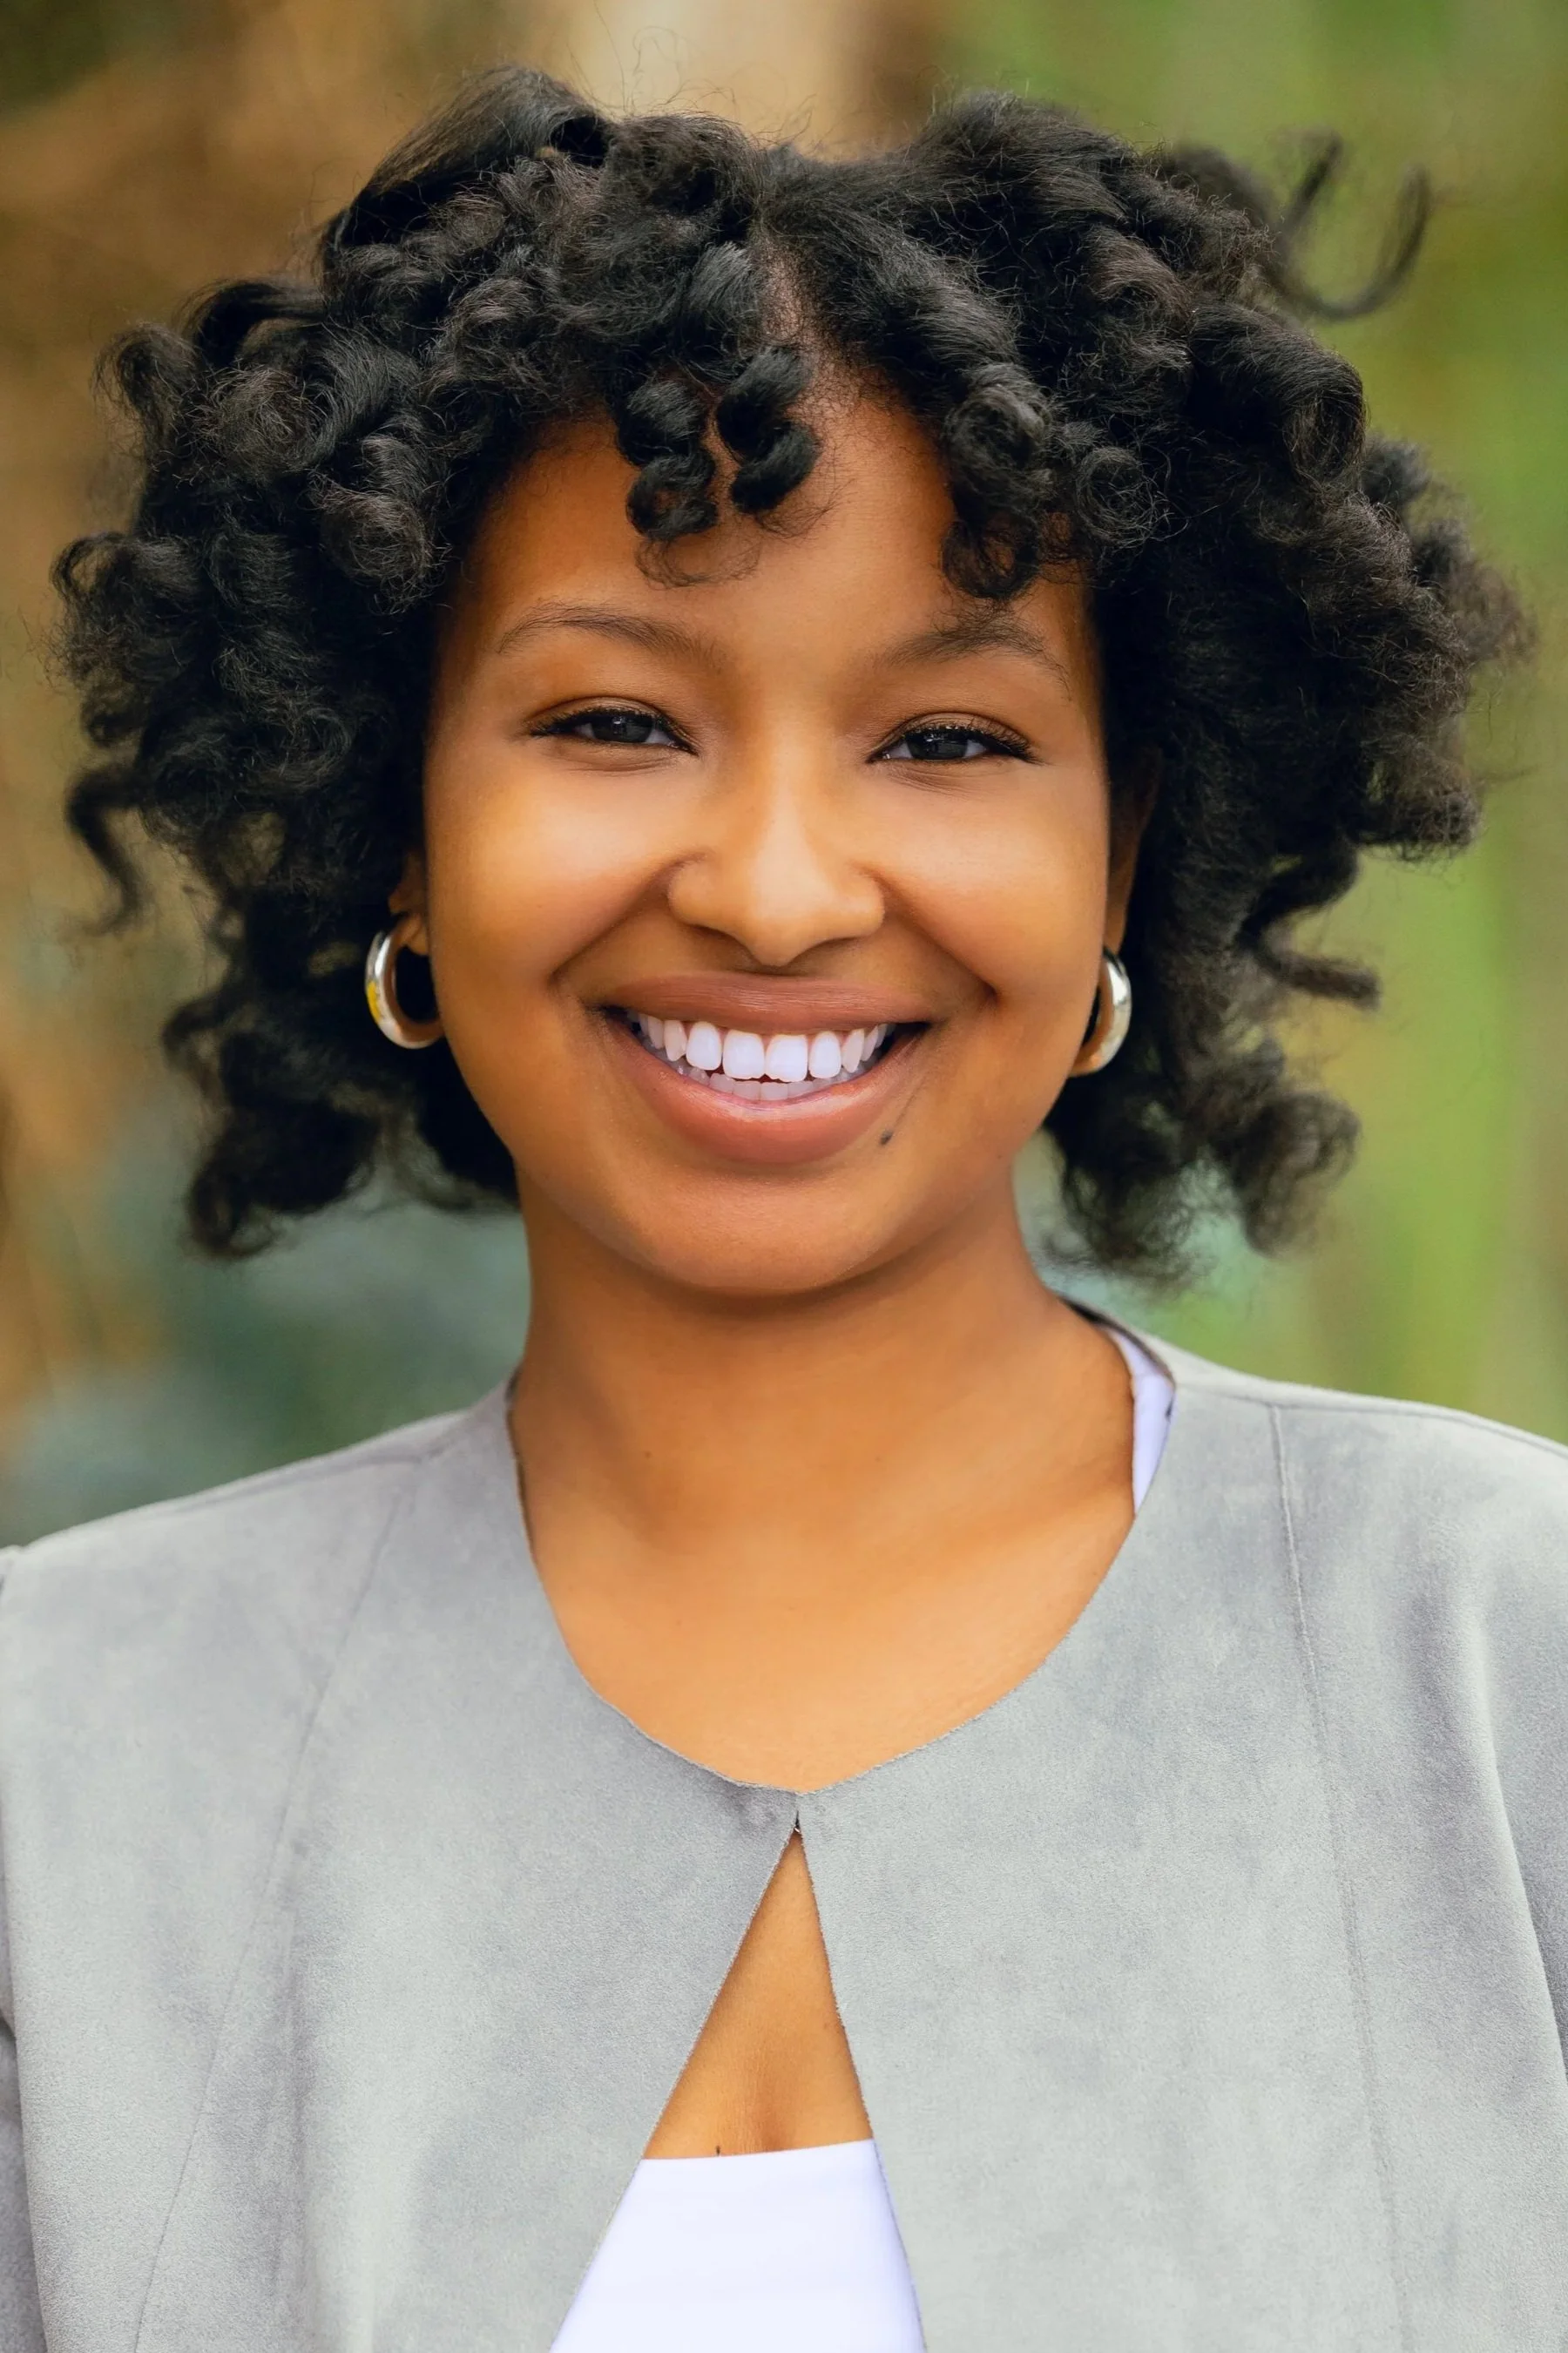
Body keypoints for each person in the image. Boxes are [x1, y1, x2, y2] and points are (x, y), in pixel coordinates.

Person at [0, 63, 1558, 2353]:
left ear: (1127, 848)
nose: (776, 885)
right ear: (400, 829)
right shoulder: (60, 1769)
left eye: (947, 741)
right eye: (616, 720)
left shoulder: (1504, 1669)